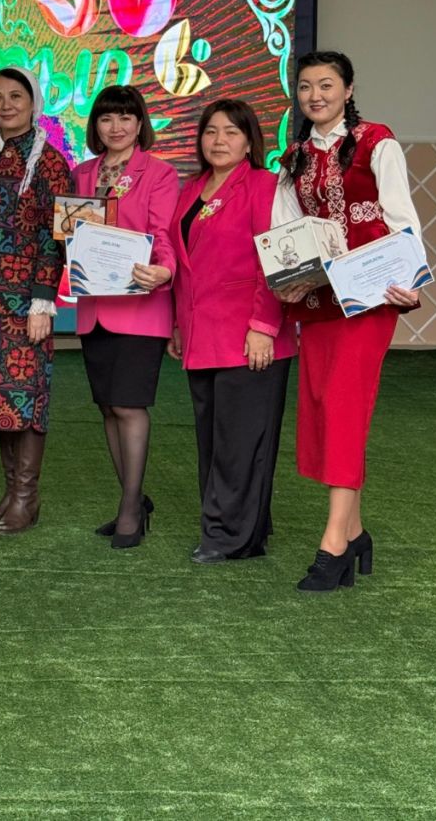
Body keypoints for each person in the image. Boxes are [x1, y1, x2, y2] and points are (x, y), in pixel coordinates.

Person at [274, 50, 424, 592]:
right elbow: (286, 232)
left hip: (371, 296)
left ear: (348, 88)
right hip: (318, 301)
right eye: (306, 86)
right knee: (322, 405)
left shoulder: (376, 142)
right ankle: (356, 532)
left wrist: (410, 281)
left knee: (343, 404)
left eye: (326, 85)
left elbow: (402, 217)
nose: (315, 95)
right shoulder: (293, 157)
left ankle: (333, 543)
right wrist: (287, 278)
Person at [169, 98, 295, 564]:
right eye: (210, 131)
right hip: (201, 335)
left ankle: (228, 537)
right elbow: (185, 265)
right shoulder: (191, 189)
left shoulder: (264, 185)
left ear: (249, 141)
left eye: (231, 132)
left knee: (242, 443)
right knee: (215, 439)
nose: (219, 140)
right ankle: (246, 527)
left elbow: (277, 259)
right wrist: (178, 325)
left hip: (249, 335)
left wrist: (264, 326)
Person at [0, 67, 70, 535]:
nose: (6, 105)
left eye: (16, 96)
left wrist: (42, 300)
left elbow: (55, 236)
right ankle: (10, 492)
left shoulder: (49, 162)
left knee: (26, 397)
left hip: (24, 303)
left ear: (33, 102)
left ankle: (27, 496)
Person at [71, 85, 179, 548]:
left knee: (129, 406)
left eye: (125, 118)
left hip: (140, 304)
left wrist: (165, 269)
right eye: (106, 118)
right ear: (95, 125)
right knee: (108, 407)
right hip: (94, 306)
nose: (115, 127)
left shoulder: (159, 173)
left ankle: (131, 508)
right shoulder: (82, 173)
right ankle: (132, 498)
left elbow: (163, 234)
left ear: (140, 124)